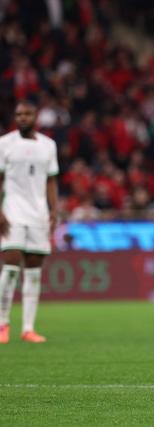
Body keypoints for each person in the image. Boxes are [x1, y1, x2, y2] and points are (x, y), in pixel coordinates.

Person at [0, 100, 59, 344]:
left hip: (38, 214)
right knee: (11, 267)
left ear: (36, 116)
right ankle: (3, 324)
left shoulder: (48, 145)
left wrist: (54, 209)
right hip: (12, 211)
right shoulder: (5, 143)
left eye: (27, 114)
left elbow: (51, 180)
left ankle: (28, 328)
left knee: (34, 272)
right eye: (18, 114)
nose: (22, 117)